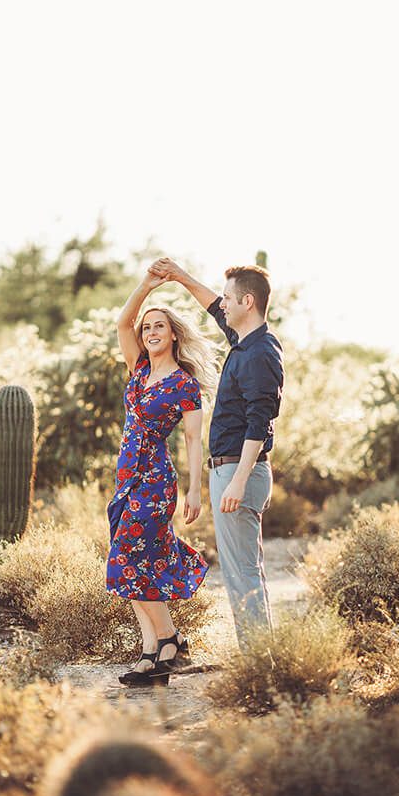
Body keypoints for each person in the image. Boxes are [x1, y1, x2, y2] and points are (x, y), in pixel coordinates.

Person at [151, 257, 284, 648]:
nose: (221, 304)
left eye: (228, 298)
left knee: (243, 573)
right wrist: (180, 277)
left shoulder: (261, 353)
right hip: (231, 471)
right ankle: (261, 658)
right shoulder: (246, 343)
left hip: (239, 472)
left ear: (247, 302)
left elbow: (260, 422)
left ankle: (260, 663)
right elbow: (211, 306)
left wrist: (238, 481)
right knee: (245, 571)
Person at [107, 269, 215, 687]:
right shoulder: (137, 368)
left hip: (154, 482)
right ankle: (155, 651)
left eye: (159, 326)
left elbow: (192, 440)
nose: (150, 331)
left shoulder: (184, 384)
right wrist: (148, 286)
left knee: (130, 561)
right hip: (126, 479)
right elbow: (122, 322)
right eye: (147, 326)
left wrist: (193, 490)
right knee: (136, 563)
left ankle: (165, 642)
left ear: (173, 335)